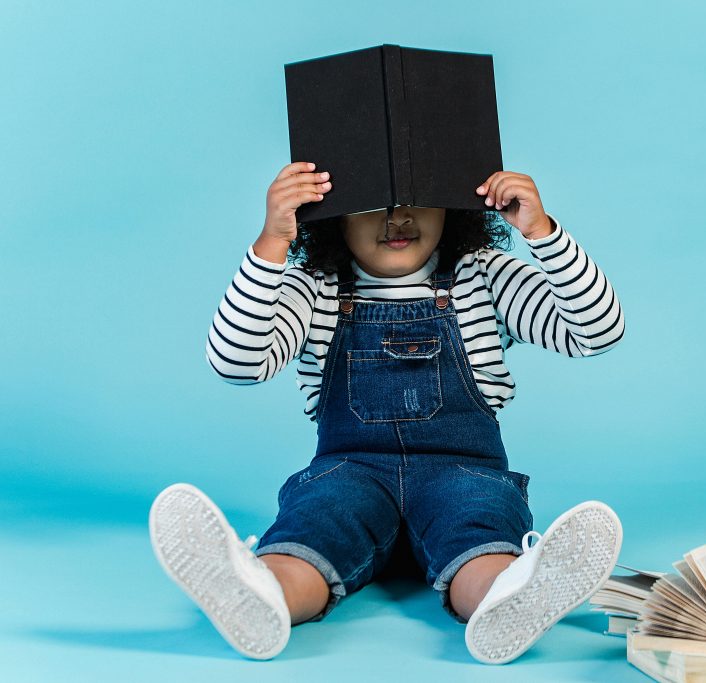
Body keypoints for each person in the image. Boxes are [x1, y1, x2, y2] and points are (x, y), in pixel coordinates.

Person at [149, 162, 626, 663]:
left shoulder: (485, 276)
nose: (397, 217)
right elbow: (236, 363)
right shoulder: (314, 289)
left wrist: (543, 234)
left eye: (417, 197)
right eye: (373, 202)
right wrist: (272, 244)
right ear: (331, 212)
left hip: (462, 473)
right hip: (350, 472)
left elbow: (597, 332)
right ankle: (263, 594)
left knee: (478, 529)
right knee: (316, 523)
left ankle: (507, 595)